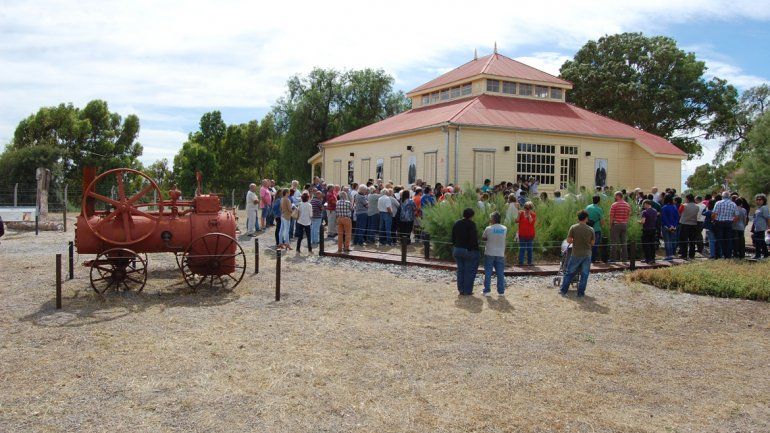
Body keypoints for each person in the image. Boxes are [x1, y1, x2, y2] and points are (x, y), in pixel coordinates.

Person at [559, 210, 596, 297]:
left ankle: (563, 290)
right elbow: (593, 243)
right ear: (586, 218)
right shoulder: (591, 229)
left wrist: (575, 240)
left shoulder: (573, 227)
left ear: (578, 218)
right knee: (584, 274)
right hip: (587, 254)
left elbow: (568, 240)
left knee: (569, 272)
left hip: (576, 253)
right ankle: (581, 293)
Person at [452, 208, 479, 296]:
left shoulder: (457, 223)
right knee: (469, 271)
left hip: (457, 249)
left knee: (460, 270)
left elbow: (453, 237)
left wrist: (455, 245)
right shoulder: (472, 224)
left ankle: (461, 289)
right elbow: (473, 239)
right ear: (472, 216)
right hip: (468, 250)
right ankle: (467, 290)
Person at [482, 212, 507, 296]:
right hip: (500, 253)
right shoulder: (504, 228)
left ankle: (487, 291)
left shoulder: (488, 228)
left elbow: (484, 238)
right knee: (500, 273)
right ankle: (501, 292)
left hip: (489, 252)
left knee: (488, 272)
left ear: (493, 219)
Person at [713, 191, 738, 259]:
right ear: (729, 196)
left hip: (719, 222)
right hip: (729, 223)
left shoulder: (718, 203)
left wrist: (714, 220)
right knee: (728, 240)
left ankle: (718, 256)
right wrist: (732, 222)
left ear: (722, 196)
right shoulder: (733, 204)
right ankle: (728, 255)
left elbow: (714, 214)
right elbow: (736, 216)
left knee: (718, 239)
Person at [609, 191, 631, 262]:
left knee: (614, 242)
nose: (614, 197)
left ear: (618, 196)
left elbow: (611, 216)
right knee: (624, 242)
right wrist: (625, 222)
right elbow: (628, 215)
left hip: (616, 224)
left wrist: (610, 225)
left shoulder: (614, 205)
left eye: (615, 196)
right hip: (624, 224)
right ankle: (624, 259)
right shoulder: (627, 205)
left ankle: (613, 259)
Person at [678, 194, 699, 260]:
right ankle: (692, 255)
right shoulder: (697, 206)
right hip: (694, 224)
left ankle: (684, 254)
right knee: (692, 240)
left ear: (687, 199)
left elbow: (679, 212)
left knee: (683, 240)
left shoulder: (683, 205)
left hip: (684, 224)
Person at [516, 201, 536, 266]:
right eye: (525, 207)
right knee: (522, 249)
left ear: (531, 208)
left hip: (530, 235)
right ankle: (521, 263)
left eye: (528, 208)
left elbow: (531, 222)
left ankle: (529, 263)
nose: (526, 209)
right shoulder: (521, 213)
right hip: (522, 234)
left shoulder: (533, 214)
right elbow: (516, 221)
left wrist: (529, 214)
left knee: (530, 249)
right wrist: (518, 215)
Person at [585, 195, 604, 262]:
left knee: (588, 244)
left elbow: (584, 217)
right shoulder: (599, 209)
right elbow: (602, 222)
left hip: (587, 228)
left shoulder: (587, 207)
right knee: (595, 245)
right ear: (599, 201)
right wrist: (602, 226)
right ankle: (593, 259)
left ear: (592, 200)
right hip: (596, 229)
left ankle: (587, 258)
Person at [660, 196, 679, 261]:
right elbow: (677, 217)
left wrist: (669, 226)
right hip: (674, 226)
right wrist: (674, 225)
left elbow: (664, 218)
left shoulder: (664, 208)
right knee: (672, 241)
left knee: (667, 242)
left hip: (666, 226)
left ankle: (669, 256)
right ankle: (672, 254)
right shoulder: (675, 207)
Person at [751, 194, 770, 259]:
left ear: (763, 200)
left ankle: (758, 255)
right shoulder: (759, 208)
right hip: (757, 228)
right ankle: (766, 254)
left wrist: (769, 227)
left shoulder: (764, 208)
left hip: (761, 228)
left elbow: (768, 218)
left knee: (758, 241)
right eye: (757, 200)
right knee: (761, 241)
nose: (758, 201)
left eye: (760, 200)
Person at [639, 200, 658, 264]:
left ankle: (648, 259)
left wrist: (638, 222)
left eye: (644, 204)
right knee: (652, 244)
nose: (643, 206)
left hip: (646, 229)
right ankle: (653, 258)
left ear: (646, 204)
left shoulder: (645, 212)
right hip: (653, 229)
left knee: (646, 245)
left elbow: (643, 221)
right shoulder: (655, 211)